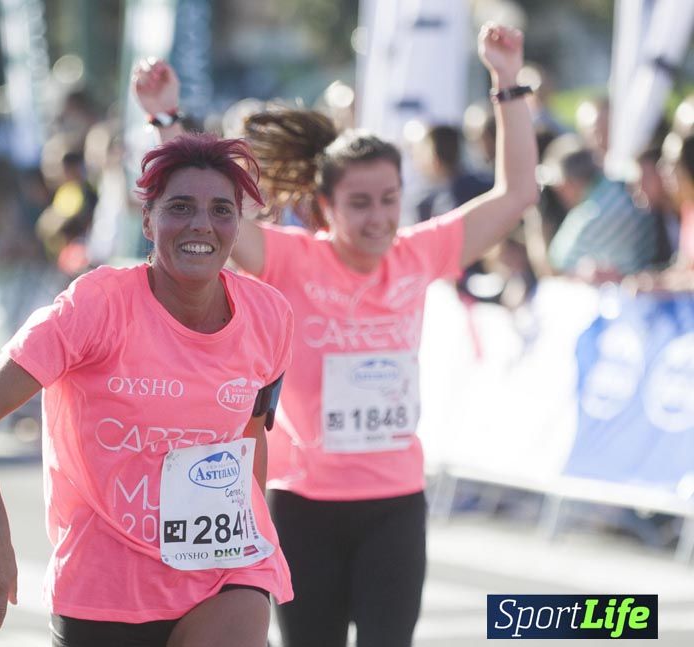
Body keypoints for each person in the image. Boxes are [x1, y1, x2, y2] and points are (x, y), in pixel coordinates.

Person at [134, 23, 538, 647]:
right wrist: (166, 120)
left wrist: (507, 82)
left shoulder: (418, 254)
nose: (379, 218)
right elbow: (215, 216)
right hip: (303, 505)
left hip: (395, 504)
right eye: (360, 203)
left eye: (389, 199)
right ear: (326, 207)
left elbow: (517, 195)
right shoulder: (293, 259)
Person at [0, 133, 295, 647]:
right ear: (148, 221)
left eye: (221, 210)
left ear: (237, 225)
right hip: (104, 584)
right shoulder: (95, 306)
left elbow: (251, 435)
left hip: (223, 571)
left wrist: (254, 533)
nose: (201, 224)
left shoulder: (269, 315)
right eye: (180, 207)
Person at [541, 134, 659, 281]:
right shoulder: (620, 185)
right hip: (645, 278)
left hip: (636, 285)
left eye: (558, 187)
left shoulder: (589, 214)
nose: (559, 193)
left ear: (568, 183)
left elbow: (554, 267)